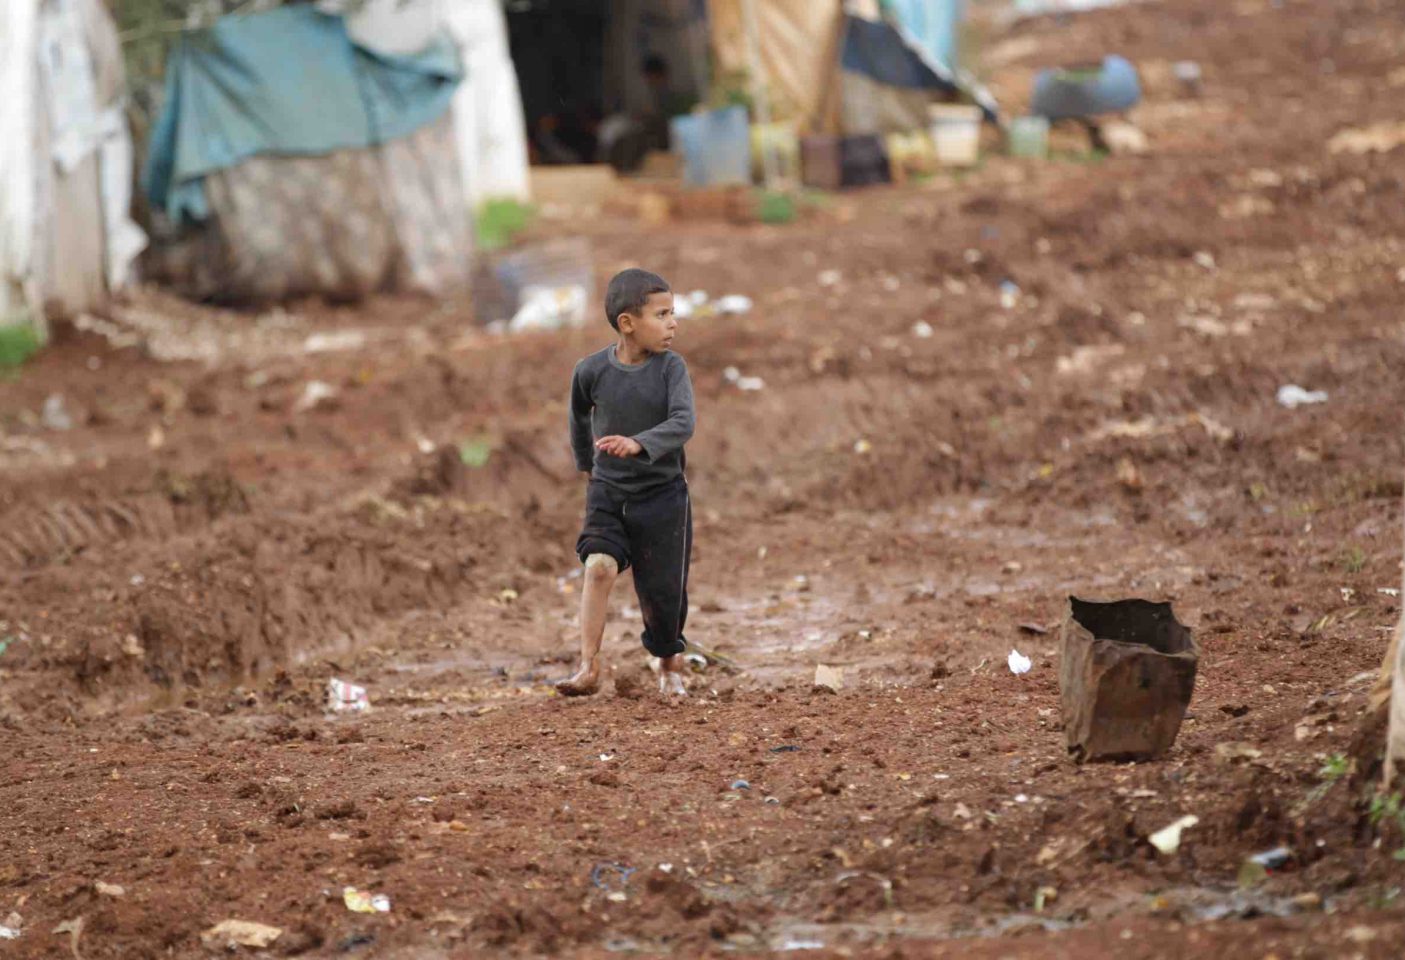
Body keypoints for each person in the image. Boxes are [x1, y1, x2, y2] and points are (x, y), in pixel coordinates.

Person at [557, 269, 695, 698]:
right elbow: (579, 414)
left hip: (663, 496)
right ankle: (588, 665)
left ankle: (669, 662)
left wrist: (639, 443)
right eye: (662, 314)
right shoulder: (591, 371)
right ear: (627, 323)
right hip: (609, 492)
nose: (673, 323)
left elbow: (683, 422)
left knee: (663, 598)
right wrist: (588, 465)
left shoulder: (671, 369)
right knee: (597, 567)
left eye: (673, 313)